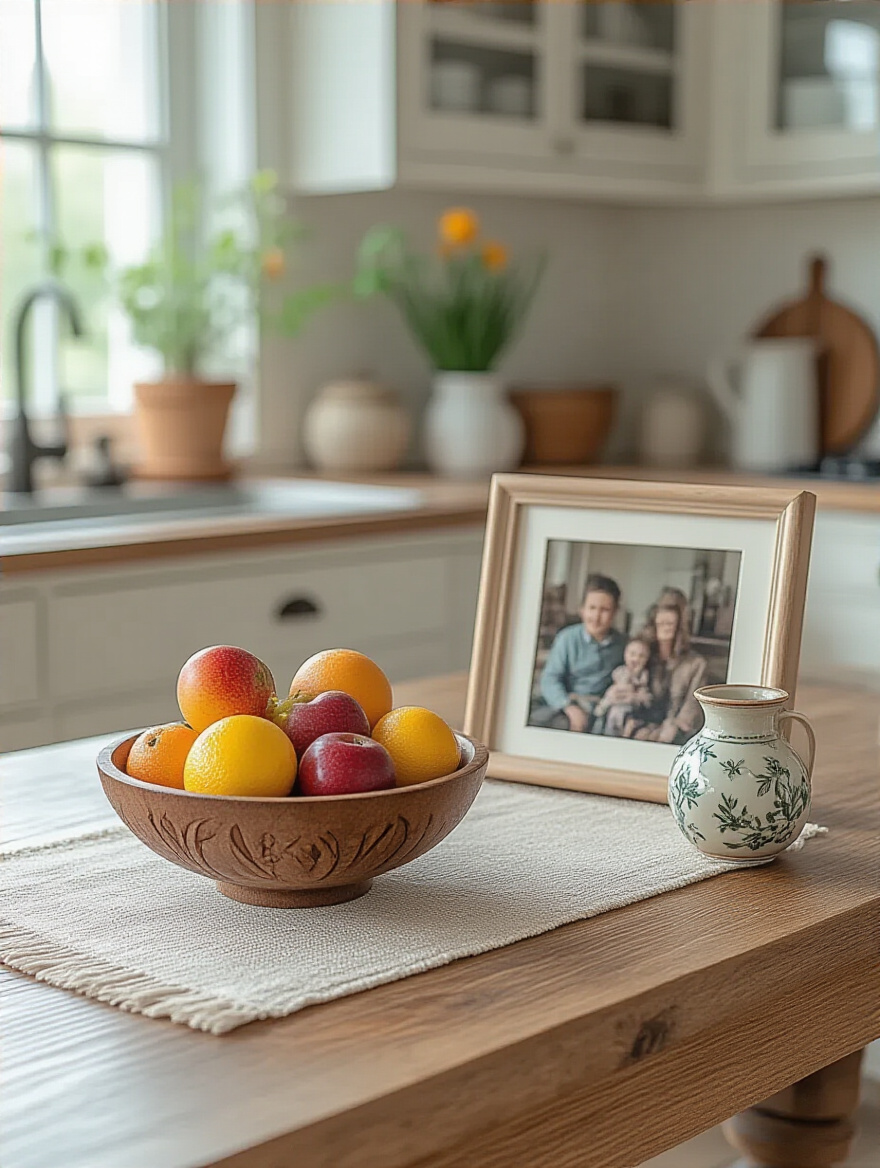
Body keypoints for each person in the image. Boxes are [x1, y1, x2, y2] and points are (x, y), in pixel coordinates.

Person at [533, 574, 627, 732]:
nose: (596, 617)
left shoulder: (622, 645)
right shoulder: (567, 638)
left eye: (604, 610)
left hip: (601, 709)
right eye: (592, 608)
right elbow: (550, 679)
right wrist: (569, 707)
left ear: (615, 612)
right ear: (582, 609)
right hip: (567, 704)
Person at [629, 588, 708, 745]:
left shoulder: (696, 664)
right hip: (642, 728)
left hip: (677, 735)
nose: (665, 628)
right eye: (661, 623)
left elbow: (691, 710)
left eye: (670, 624)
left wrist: (672, 727)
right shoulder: (644, 656)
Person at [592, 634, 653, 738]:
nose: (636, 659)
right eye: (632, 654)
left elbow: (646, 698)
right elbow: (614, 689)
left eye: (641, 656)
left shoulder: (645, 676)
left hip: (632, 711)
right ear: (625, 654)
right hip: (615, 706)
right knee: (607, 714)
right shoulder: (620, 671)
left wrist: (635, 693)